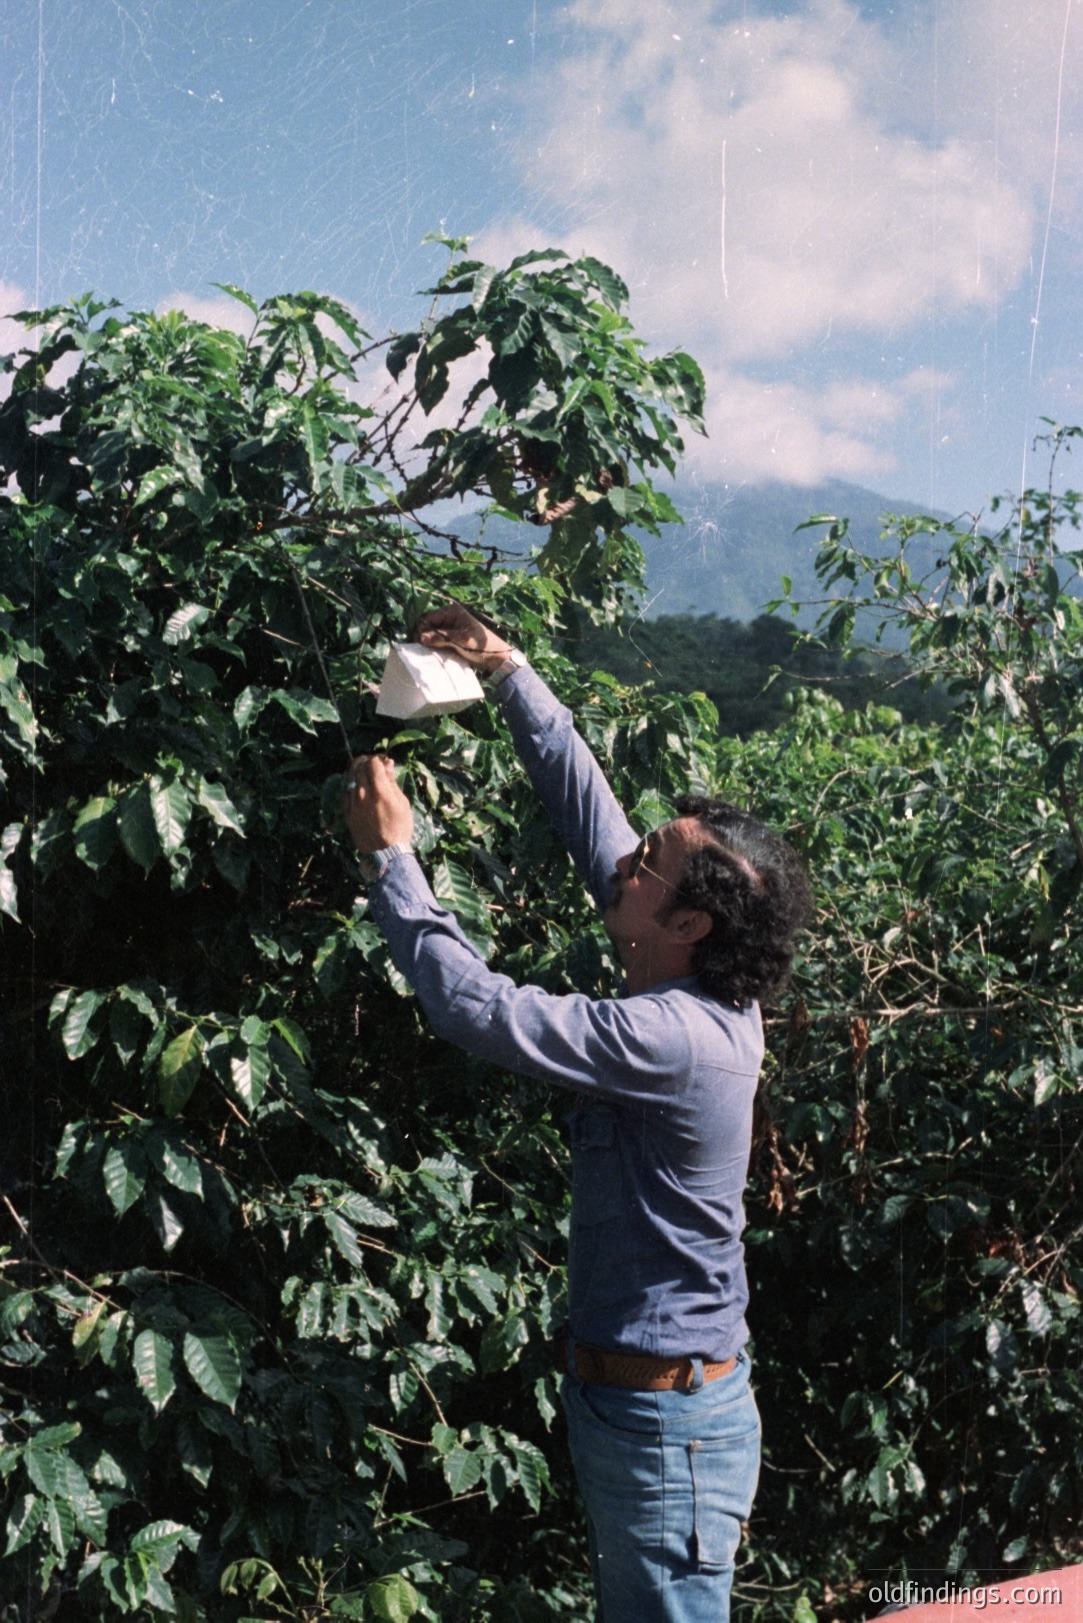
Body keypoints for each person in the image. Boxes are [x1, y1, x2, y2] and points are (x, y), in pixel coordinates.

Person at [342, 603, 813, 1623]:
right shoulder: (701, 979)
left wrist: (392, 860)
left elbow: (478, 1008)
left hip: (665, 1428)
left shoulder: (674, 1039)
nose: (625, 863)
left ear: (685, 923)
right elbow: (590, 815)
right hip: (641, 1407)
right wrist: (508, 670)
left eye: (648, 864)